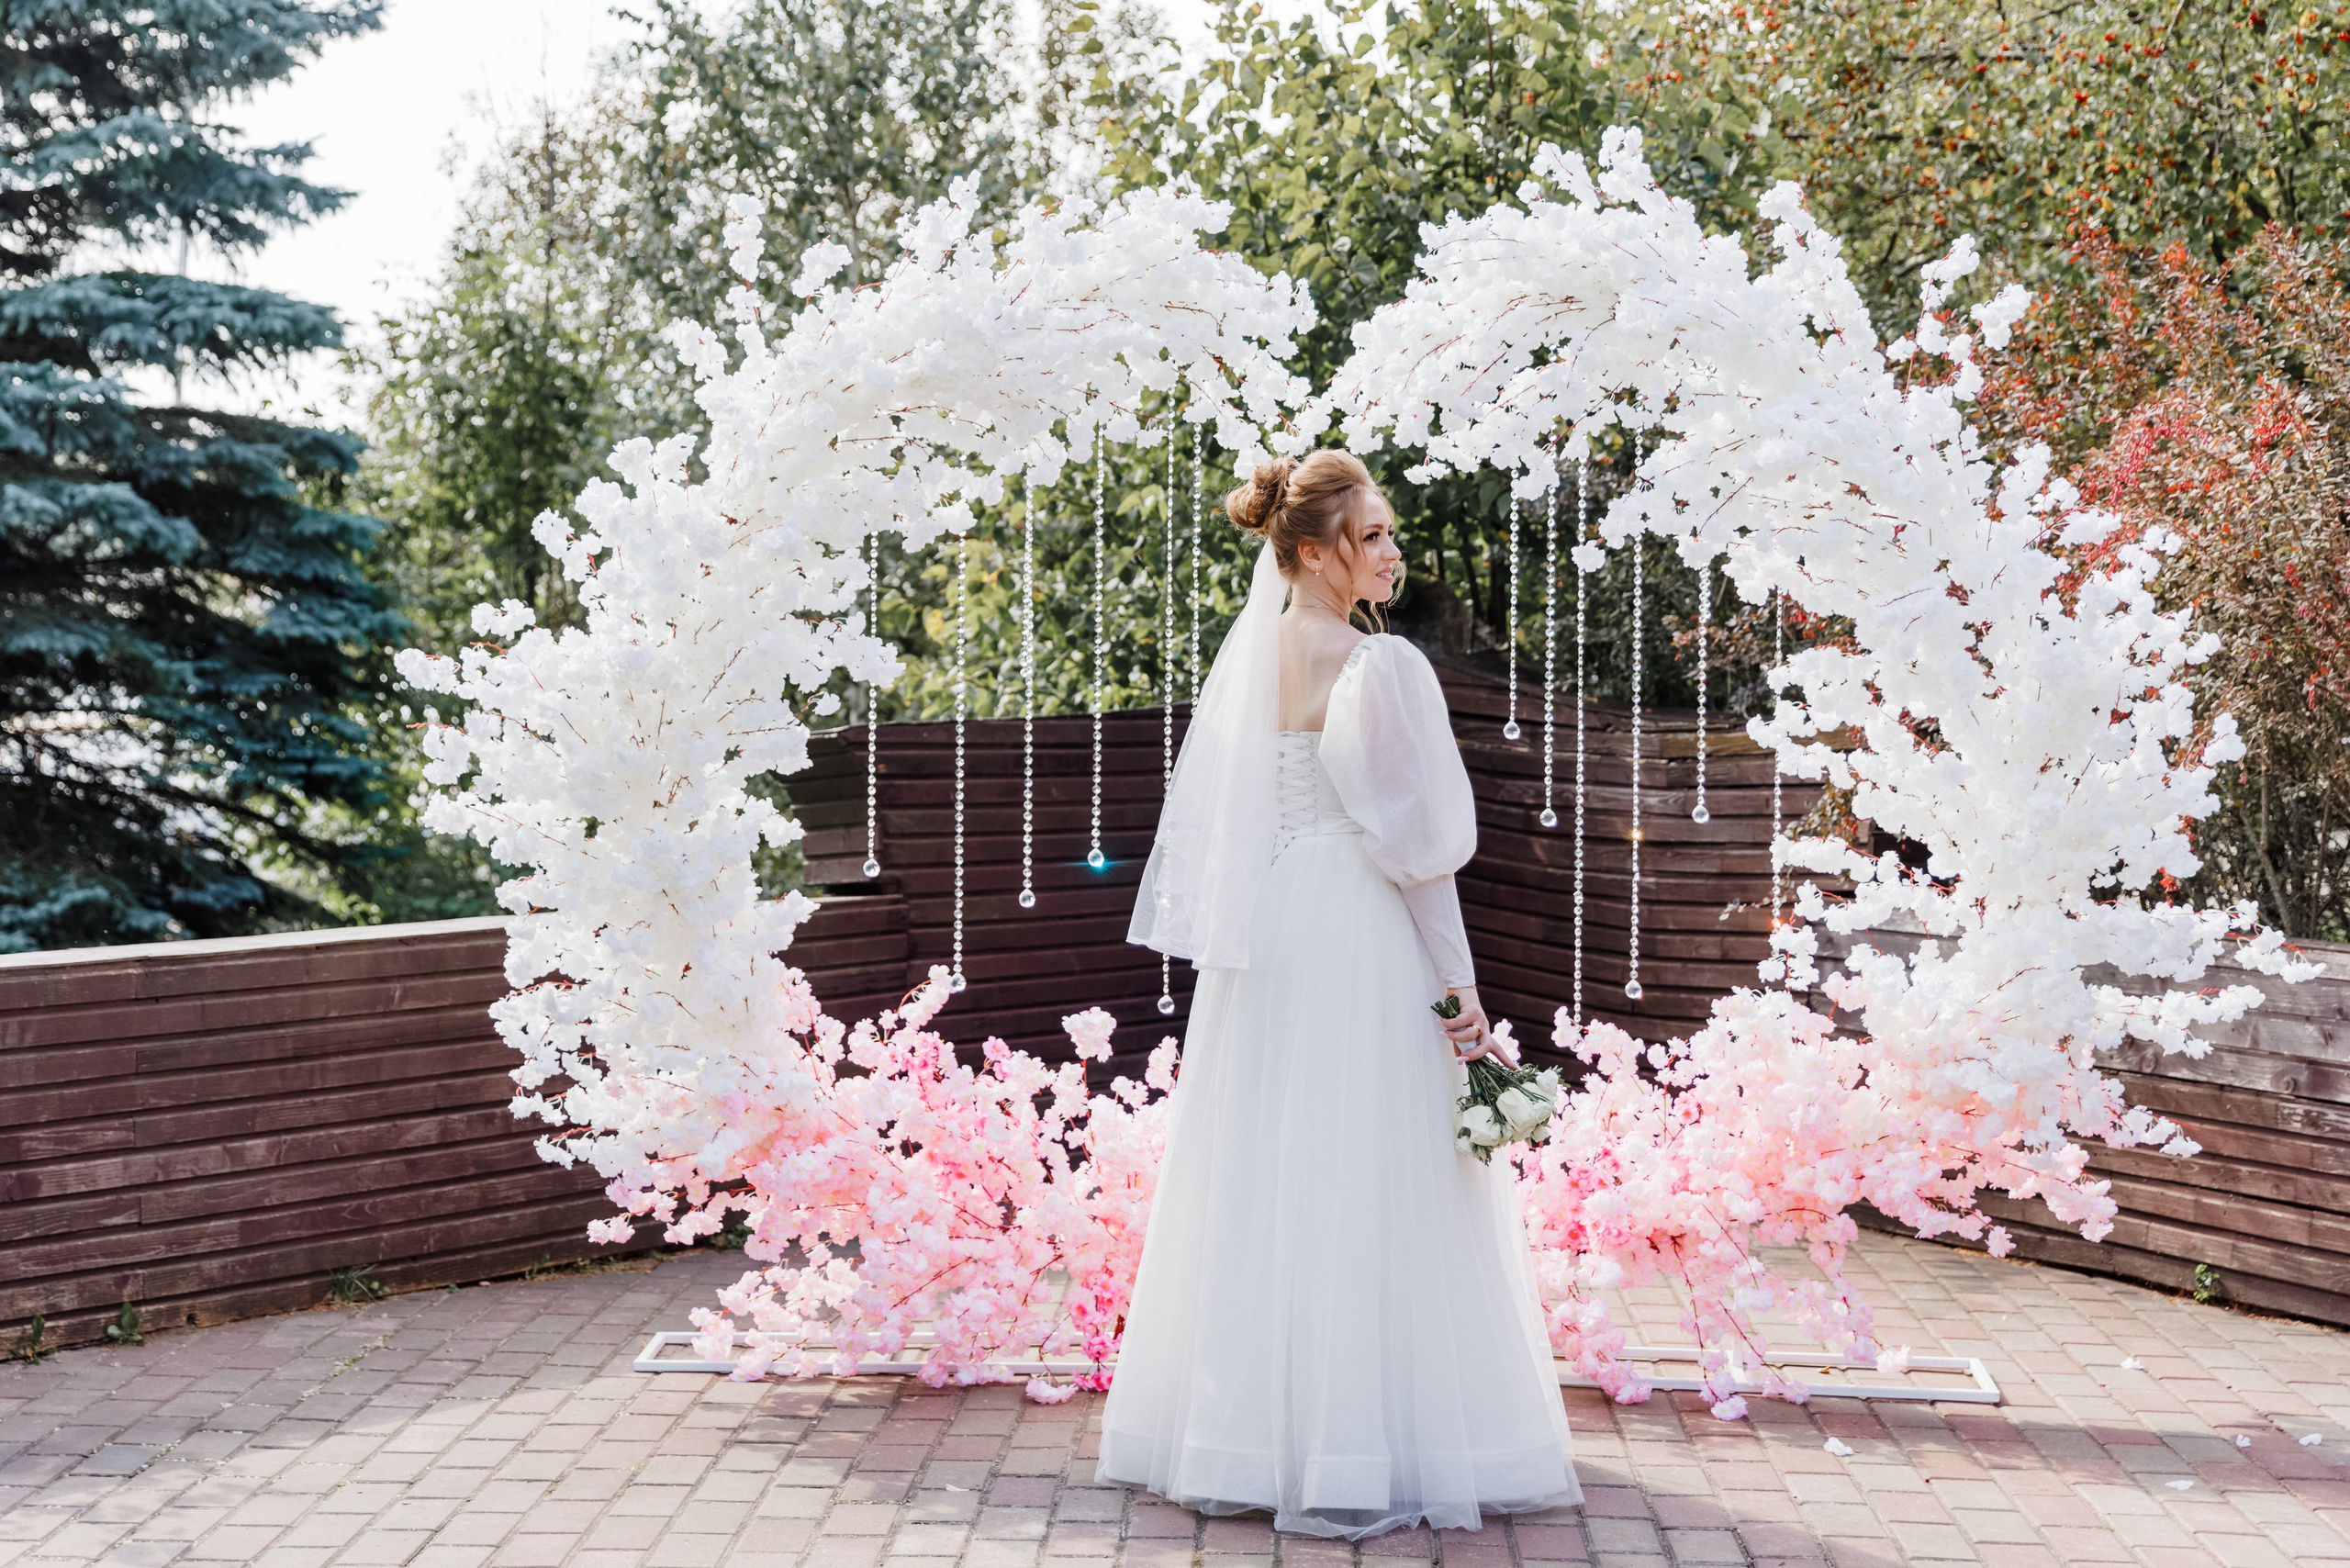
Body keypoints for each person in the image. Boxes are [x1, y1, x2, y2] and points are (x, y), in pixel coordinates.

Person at [1104, 450, 1581, 1539]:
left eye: (1387, 531)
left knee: (1267, 1165)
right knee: (1372, 1168)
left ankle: (1242, 1432)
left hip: (1266, 938)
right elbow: (1417, 850)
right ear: (1312, 552)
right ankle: (1365, 1437)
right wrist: (1460, 989)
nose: (1390, 550)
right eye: (1369, 535)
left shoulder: (1249, 658)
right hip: (1354, 927)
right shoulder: (1379, 668)